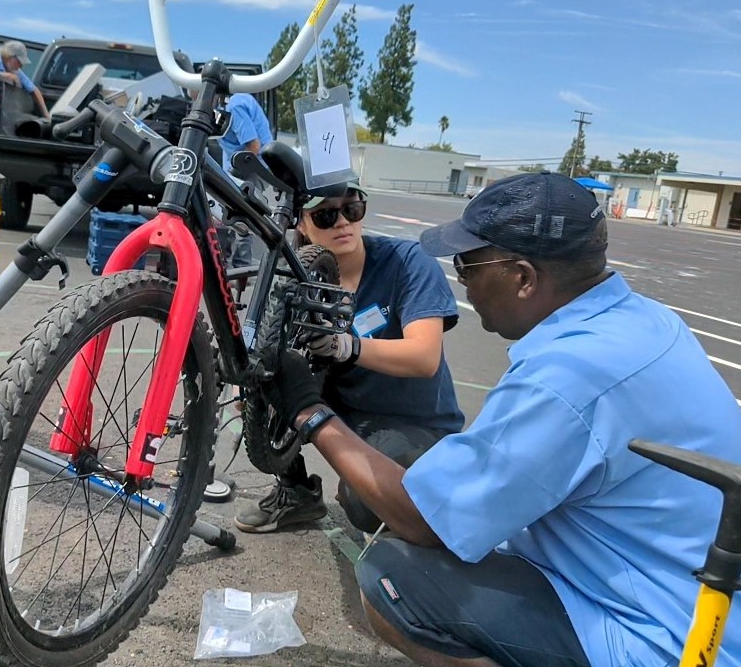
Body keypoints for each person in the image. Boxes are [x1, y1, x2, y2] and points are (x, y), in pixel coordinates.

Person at [264, 172, 741, 667]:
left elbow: (425, 520)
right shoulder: (644, 320)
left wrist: (310, 413)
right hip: (692, 601)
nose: (462, 280)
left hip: (658, 638)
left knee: (394, 574)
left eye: (468, 265)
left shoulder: (568, 378)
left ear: (523, 277)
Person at [234, 183, 463, 534]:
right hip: (347, 414)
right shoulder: (294, 277)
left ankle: (415, 528)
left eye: (352, 210)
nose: (343, 223)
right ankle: (296, 491)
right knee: (269, 374)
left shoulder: (406, 262)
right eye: (325, 215)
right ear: (303, 226)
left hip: (417, 422)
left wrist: (347, 346)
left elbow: (424, 356)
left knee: (364, 503)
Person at [0, 41, 50, 225]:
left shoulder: (17, 72)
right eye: (19, 61)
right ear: (9, 57)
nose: (21, 65)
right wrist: (2, 75)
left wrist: (46, 114)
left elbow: (34, 89)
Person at [217, 92, 273, 288]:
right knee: (231, 217)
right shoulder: (221, 108)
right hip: (241, 167)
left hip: (252, 167)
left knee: (242, 218)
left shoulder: (235, 106)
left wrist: (232, 173)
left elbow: (253, 146)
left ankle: (241, 271)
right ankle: (233, 270)